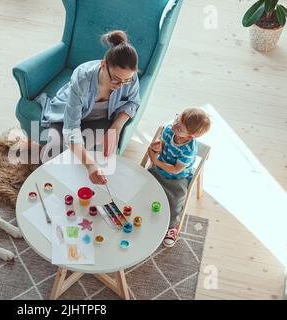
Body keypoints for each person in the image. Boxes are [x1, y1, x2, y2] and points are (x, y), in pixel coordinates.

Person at [36, 30, 141, 184]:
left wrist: (115, 128)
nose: (121, 86)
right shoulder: (82, 77)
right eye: (116, 79)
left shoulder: (130, 78)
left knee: (76, 156)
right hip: (66, 116)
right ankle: (44, 183)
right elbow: (71, 127)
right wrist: (91, 166)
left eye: (126, 81)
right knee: (51, 155)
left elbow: (133, 102)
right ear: (103, 65)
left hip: (99, 120)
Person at [147, 108, 211, 247]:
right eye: (177, 119)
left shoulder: (188, 150)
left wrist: (156, 161)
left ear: (189, 137)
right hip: (160, 168)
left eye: (180, 128)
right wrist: (157, 146)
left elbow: (176, 170)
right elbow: (163, 144)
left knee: (175, 201)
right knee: (144, 185)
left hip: (177, 178)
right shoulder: (170, 130)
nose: (175, 125)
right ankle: (144, 209)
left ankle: (172, 227)